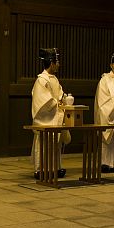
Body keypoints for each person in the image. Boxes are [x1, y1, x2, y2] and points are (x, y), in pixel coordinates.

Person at [31, 47, 69, 179]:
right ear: (52, 63)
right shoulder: (41, 80)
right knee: (44, 144)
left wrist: (64, 99)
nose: (59, 64)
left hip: (56, 115)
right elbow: (42, 101)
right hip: (46, 118)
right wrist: (57, 102)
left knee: (56, 145)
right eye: (57, 62)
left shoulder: (54, 79)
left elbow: (60, 94)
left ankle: (55, 167)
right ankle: (41, 169)